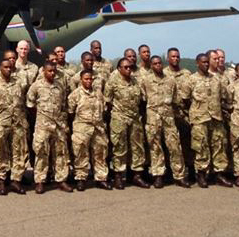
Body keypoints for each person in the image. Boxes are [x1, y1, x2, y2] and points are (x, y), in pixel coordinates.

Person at [183, 52, 231, 188]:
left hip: (216, 118)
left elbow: (223, 97)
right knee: (201, 147)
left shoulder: (216, 79)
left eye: (206, 62)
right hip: (199, 119)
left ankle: (219, 174)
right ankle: (202, 174)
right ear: (197, 63)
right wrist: (196, 111)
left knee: (219, 146)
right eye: (203, 62)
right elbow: (185, 99)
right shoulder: (191, 80)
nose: (205, 64)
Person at [141, 56, 190, 189]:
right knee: (155, 148)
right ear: (151, 66)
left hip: (169, 118)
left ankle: (179, 176)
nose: (158, 65)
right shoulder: (146, 81)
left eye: (159, 63)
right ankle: (158, 176)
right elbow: (143, 99)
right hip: (153, 118)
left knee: (175, 146)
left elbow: (175, 100)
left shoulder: (170, 80)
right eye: (155, 64)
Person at [27, 62, 73, 193]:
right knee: (41, 152)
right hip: (43, 125)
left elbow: (64, 105)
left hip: (58, 126)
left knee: (60, 153)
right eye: (49, 71)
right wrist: (41, 118)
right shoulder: (36, 86)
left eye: (54, 71)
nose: (52, 73)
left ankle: (61, 180)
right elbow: (30, 105)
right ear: (44, 72)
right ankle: (40, 181)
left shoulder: (60, 86)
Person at [105, 58, 149, 188]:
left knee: (137, 148)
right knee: (119, 147)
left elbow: (142, 99)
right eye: (125, 67)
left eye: (130, 67)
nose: (128, 69)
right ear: (119, 69)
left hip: (134, 118)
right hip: (119, 118)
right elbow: (107, 100)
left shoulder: (136, 81)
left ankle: (136, 175)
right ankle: (119, 175)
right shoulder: (113, 82)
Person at [0, 59, 28, 195]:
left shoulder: (19, 83)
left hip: (18, 123)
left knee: (19, 152)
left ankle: (16, 181)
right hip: (1, 123)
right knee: (0, 151)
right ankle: (1, 180)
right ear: (0, 68)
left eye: (10, 67)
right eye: (5, 67)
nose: (8, 69)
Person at [68, 70, 112, 190]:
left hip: (98, 128)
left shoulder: (98, 93)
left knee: (100, 153)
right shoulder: (75, 94)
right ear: (81, 80)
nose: (88, 81)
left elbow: (104, 108)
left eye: (90, 79)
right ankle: (81, 178)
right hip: (82, 128)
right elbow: (70, 112)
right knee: (80, 153)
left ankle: (101, 178)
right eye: (86, 79)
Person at [164, 47, 193, 177]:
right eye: (173, 56)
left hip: (185, 113)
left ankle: (191, 169)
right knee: (170, 144)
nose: (175, 59)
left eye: (177, 56)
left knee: (188, 143)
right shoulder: (163, 73)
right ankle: (170, 170)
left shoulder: (187, 73)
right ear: (168, 58)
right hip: (169, 115)